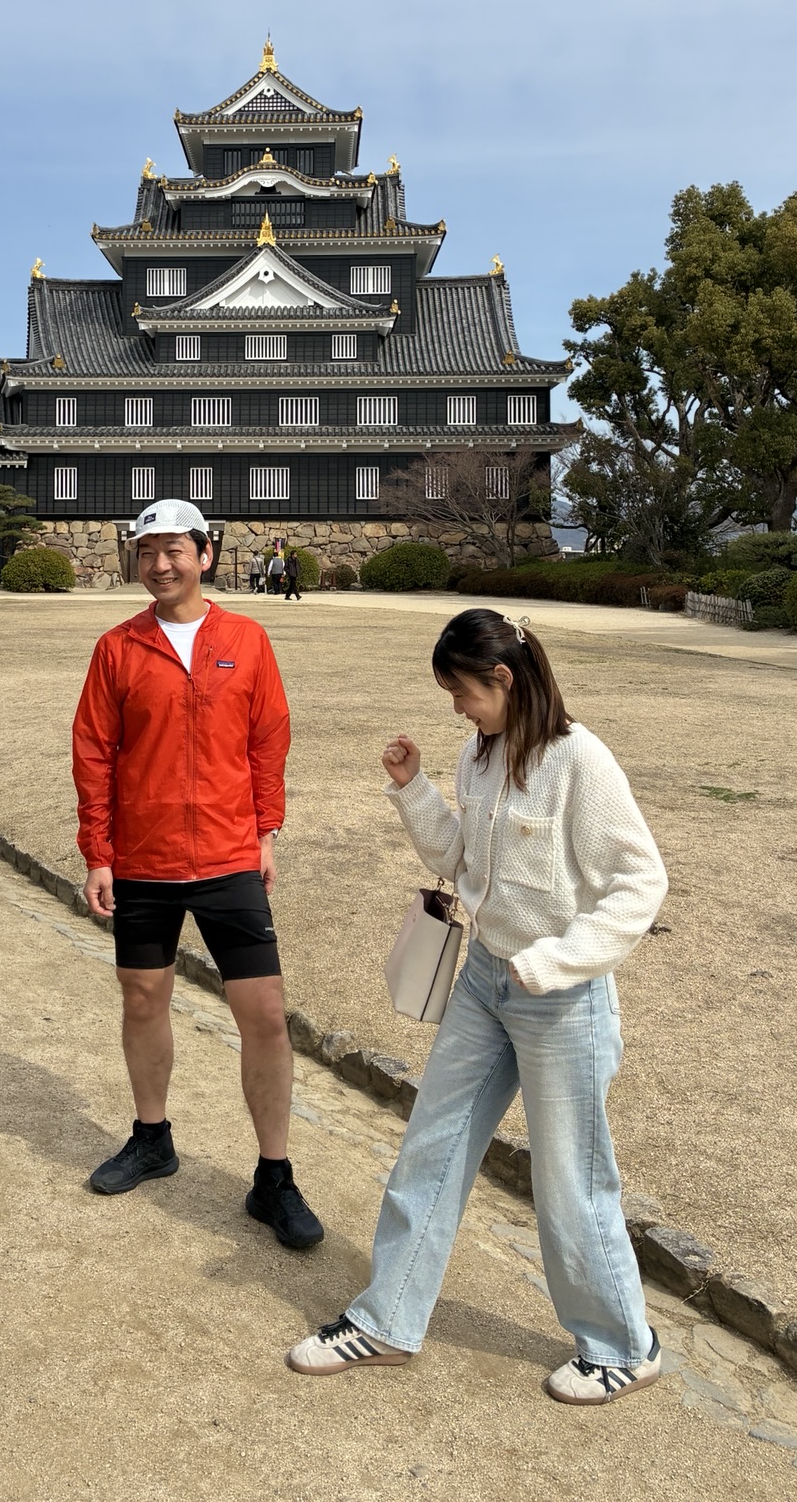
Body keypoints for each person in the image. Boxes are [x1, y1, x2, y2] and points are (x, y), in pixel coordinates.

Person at [285, 606, 668, 1404]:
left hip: (562, 1000)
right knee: (433, 1144)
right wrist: (413, 789)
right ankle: (387, 1320)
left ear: (503, 677)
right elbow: (460, 858)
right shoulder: (478, 755)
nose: (457, 708)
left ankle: (623, 1346)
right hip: (482, 982)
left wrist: (556, 961)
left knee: (571, 1177)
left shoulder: (580, 760)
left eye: (461, 692)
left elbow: (639, 885)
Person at [73, 499, 325, 1249]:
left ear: (205, 554)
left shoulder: (245, 640)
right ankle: (152, 1138)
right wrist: (98, 852)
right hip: (144, 857)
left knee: (265, 1013)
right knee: (143, 997)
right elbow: (93, 750)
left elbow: (268, 738)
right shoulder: (117, 648)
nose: (160, 564)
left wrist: (267, 830)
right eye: (147, 551)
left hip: (227, 855)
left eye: (175, 550)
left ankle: (273, 1176)